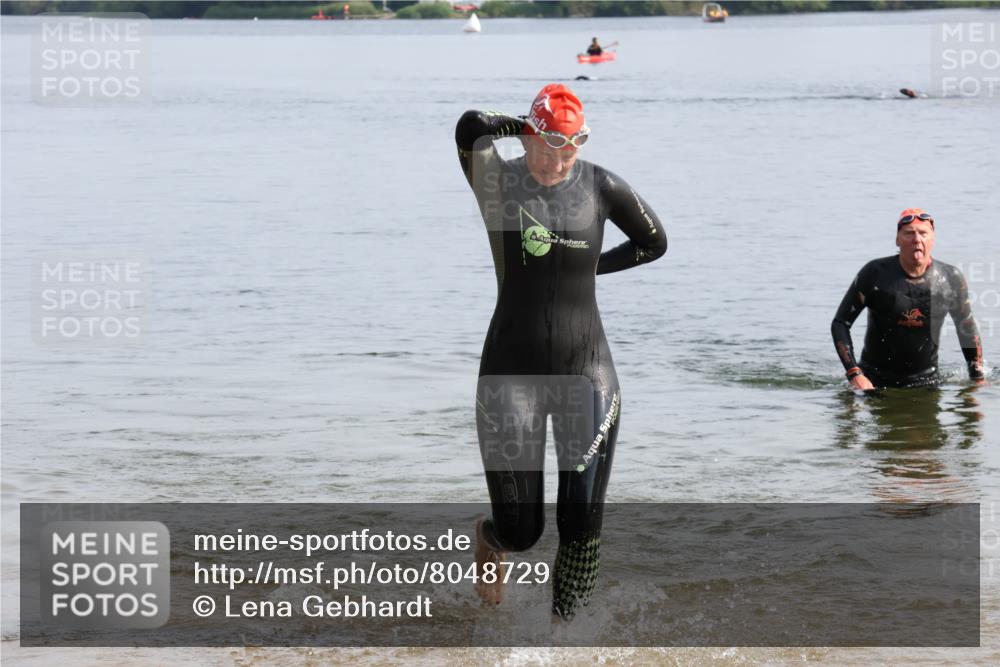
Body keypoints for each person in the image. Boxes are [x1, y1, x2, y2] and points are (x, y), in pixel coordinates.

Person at [454, 84, 667, 620]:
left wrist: (595, 266)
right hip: (510, 375)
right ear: (528, 140)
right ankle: (488, 538)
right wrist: (522, 124)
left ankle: (564, 640)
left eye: (569, 148)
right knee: (522, 532)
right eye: (547, 146)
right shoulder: (497, 184)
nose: (556, 160)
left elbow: (653, 242)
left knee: (582, 524)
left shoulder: (600, 184)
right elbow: (470, 126)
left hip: (587, 372)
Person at [831, 208, 986, 390]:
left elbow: (966, 328)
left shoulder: (950, 278)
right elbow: (840, 323)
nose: (917, 239)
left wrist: (977, 379)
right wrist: (854, 374)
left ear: (933, 239)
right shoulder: (875, 274)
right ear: (897, 240)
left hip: (927, 383)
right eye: (909, 233)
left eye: (923, 233)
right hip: (873, 383)